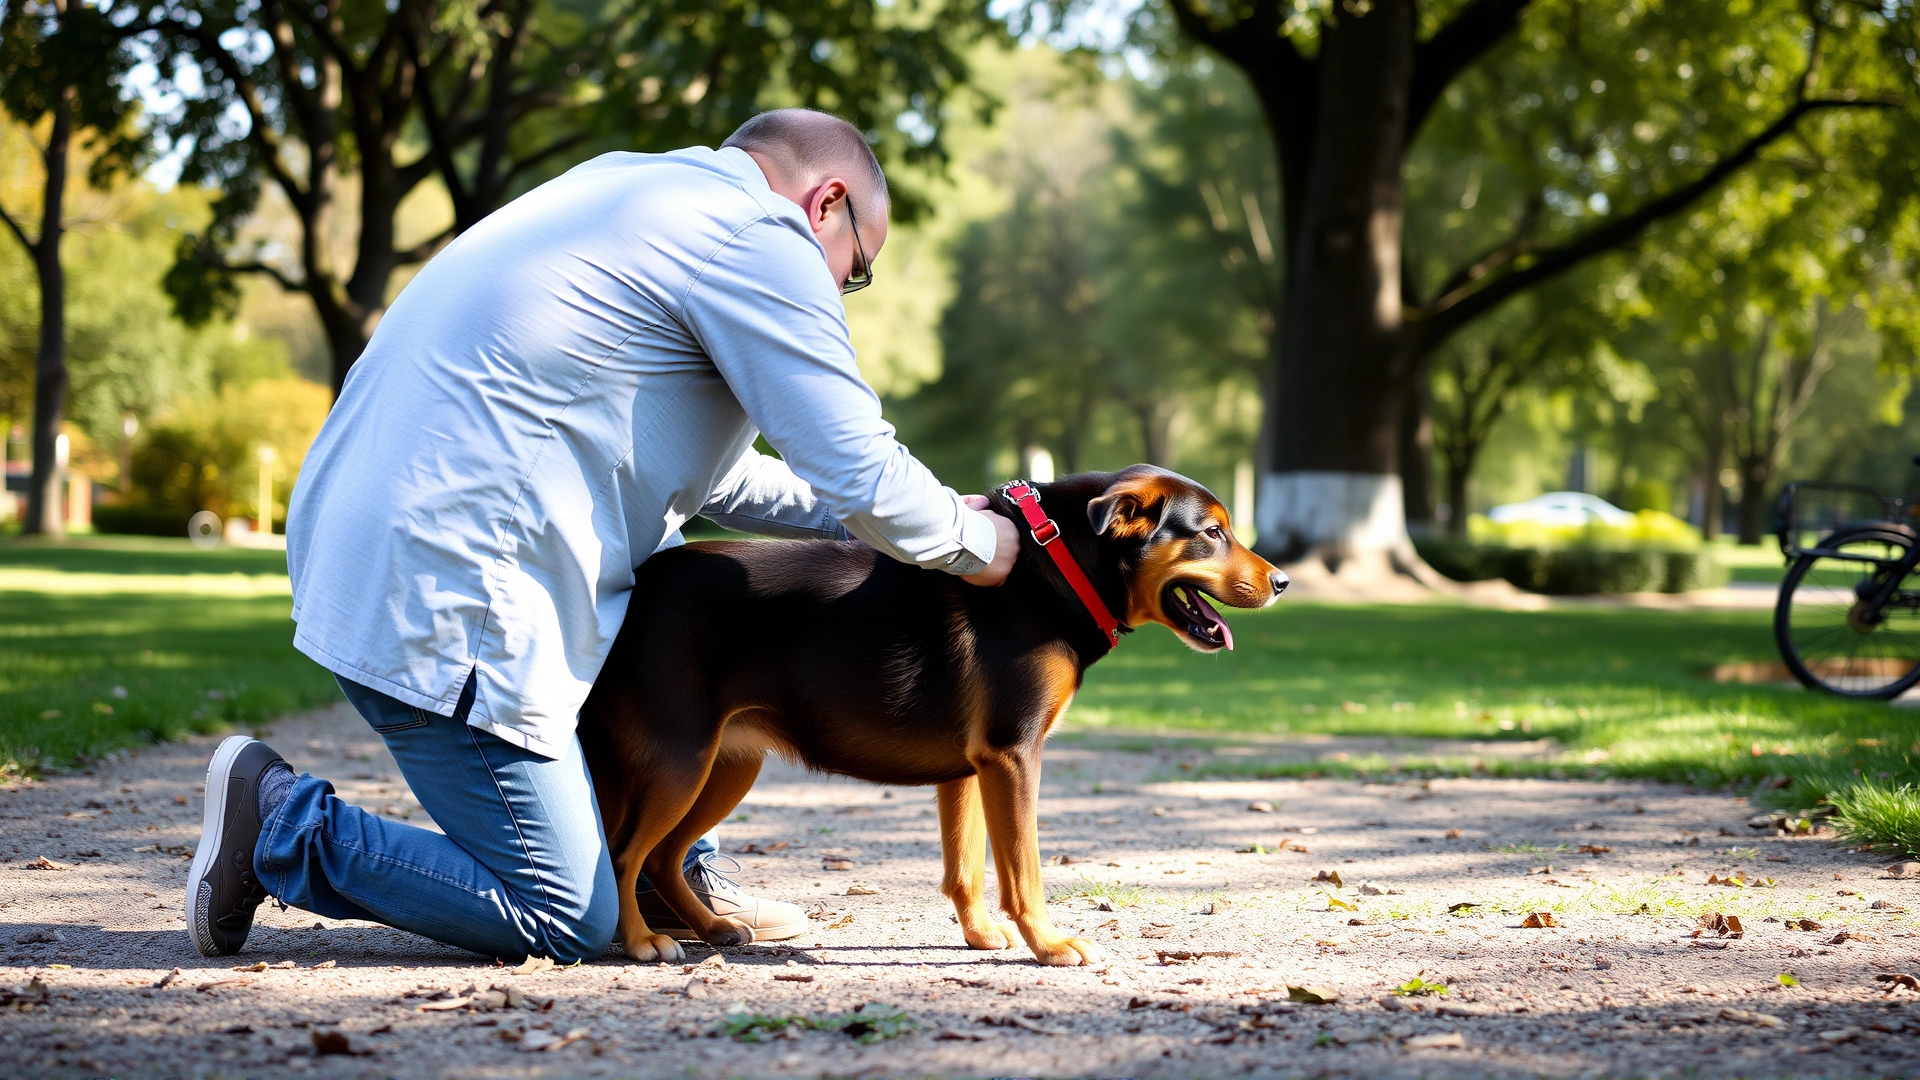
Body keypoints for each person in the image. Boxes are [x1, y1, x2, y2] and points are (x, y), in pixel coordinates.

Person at [183, 108, 1020, 962]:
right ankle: (282, 825)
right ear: (825, 204)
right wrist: (982, 544)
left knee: (671, 663)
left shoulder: (627, 188)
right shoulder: (758, 237)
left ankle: (670, 872)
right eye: (857, 270)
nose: (842, 291)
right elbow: (856, 464)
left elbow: (718, 475)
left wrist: (930, 512)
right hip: (453, 584)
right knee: (567, 917)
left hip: (377, 542)